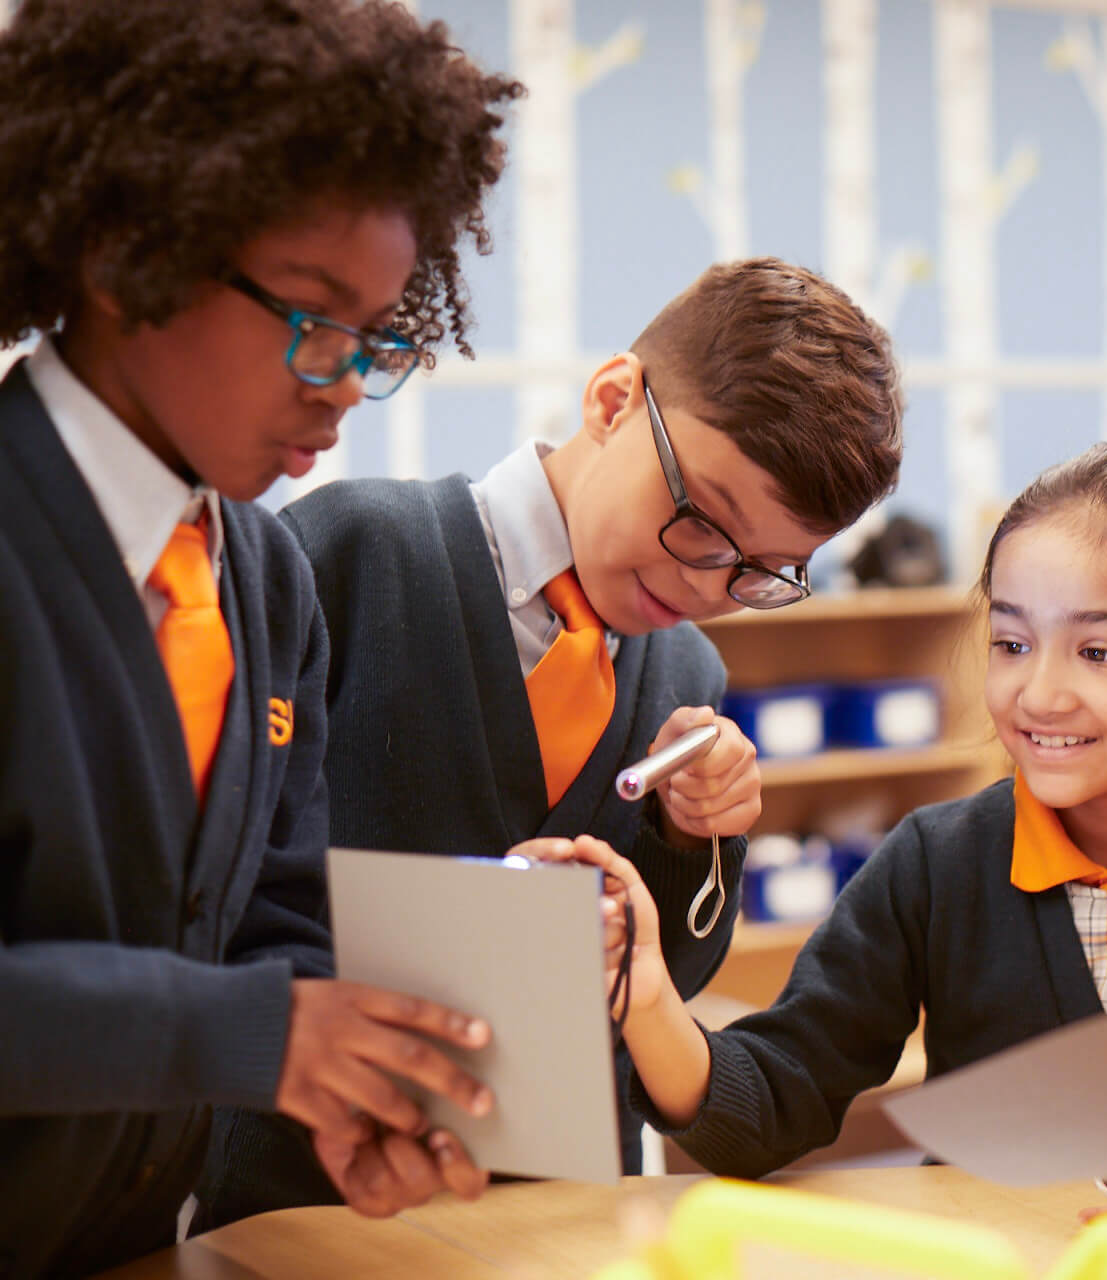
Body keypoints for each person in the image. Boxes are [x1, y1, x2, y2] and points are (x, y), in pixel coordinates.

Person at [191, 257, 906, 1222]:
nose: (705, 585)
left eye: (765, 572)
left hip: (559, 1208)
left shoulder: (686, 678)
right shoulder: (350, 553)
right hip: (307, 1189)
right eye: (700, 520)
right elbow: (220, 886)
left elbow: (659, 990)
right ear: (614, 401)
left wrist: (696, 841)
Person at [0, 0, 522, 1272]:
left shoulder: (266, 578)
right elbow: (234, 1006)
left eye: (382, 334)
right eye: (311, 315)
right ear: (128, 256)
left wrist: (340, 1081)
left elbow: (271, 917)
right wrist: (253, 1031)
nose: (345, 379)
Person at [561, 442, 1107, 1178]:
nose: (1039, 694)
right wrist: (647, 990)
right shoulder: (936, 862)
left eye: (1099, 652)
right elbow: (774, 1103)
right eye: (1012, 644)